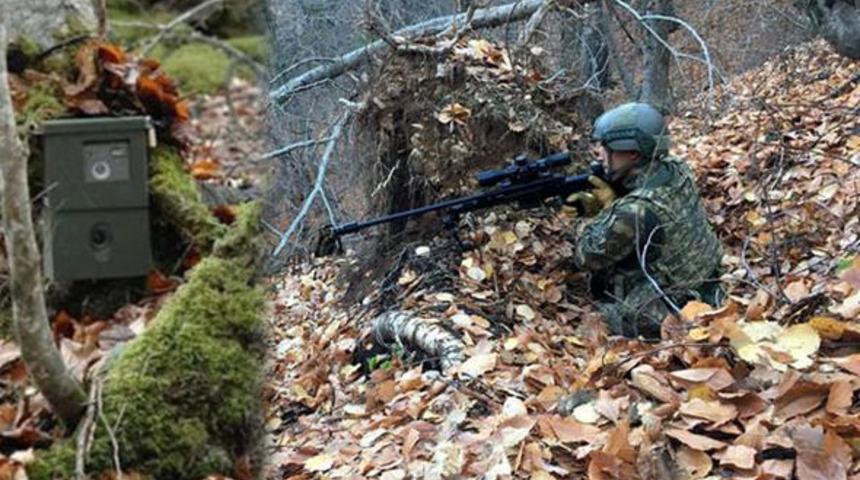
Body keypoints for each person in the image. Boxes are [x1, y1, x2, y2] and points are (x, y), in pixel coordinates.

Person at [565, 102, 724, 338]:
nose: (598, 152)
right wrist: (614, 199)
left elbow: (585, 256)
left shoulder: (634, 212)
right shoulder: (676, 169)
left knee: (593, 320)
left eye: (606, 146)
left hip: (673, 311)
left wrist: (600, 213)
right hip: (710, 283)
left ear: (632, 153)